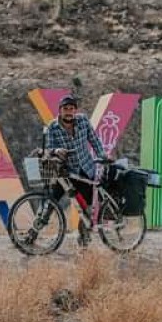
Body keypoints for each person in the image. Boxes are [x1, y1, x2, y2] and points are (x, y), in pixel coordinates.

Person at [46, 94, 108, 246]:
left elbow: (94, 140)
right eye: (65, 109)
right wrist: (56, 151)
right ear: (60, 111)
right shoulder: (52, 127)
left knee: (85, 209)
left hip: (85, 171)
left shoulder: (83, 121)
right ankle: (37, 228)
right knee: (52, 201)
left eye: (71, 109)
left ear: (75, 110)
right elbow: (48, 148)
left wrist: (102, 155)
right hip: (65, 172)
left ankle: (84, 238)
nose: (69, 112)